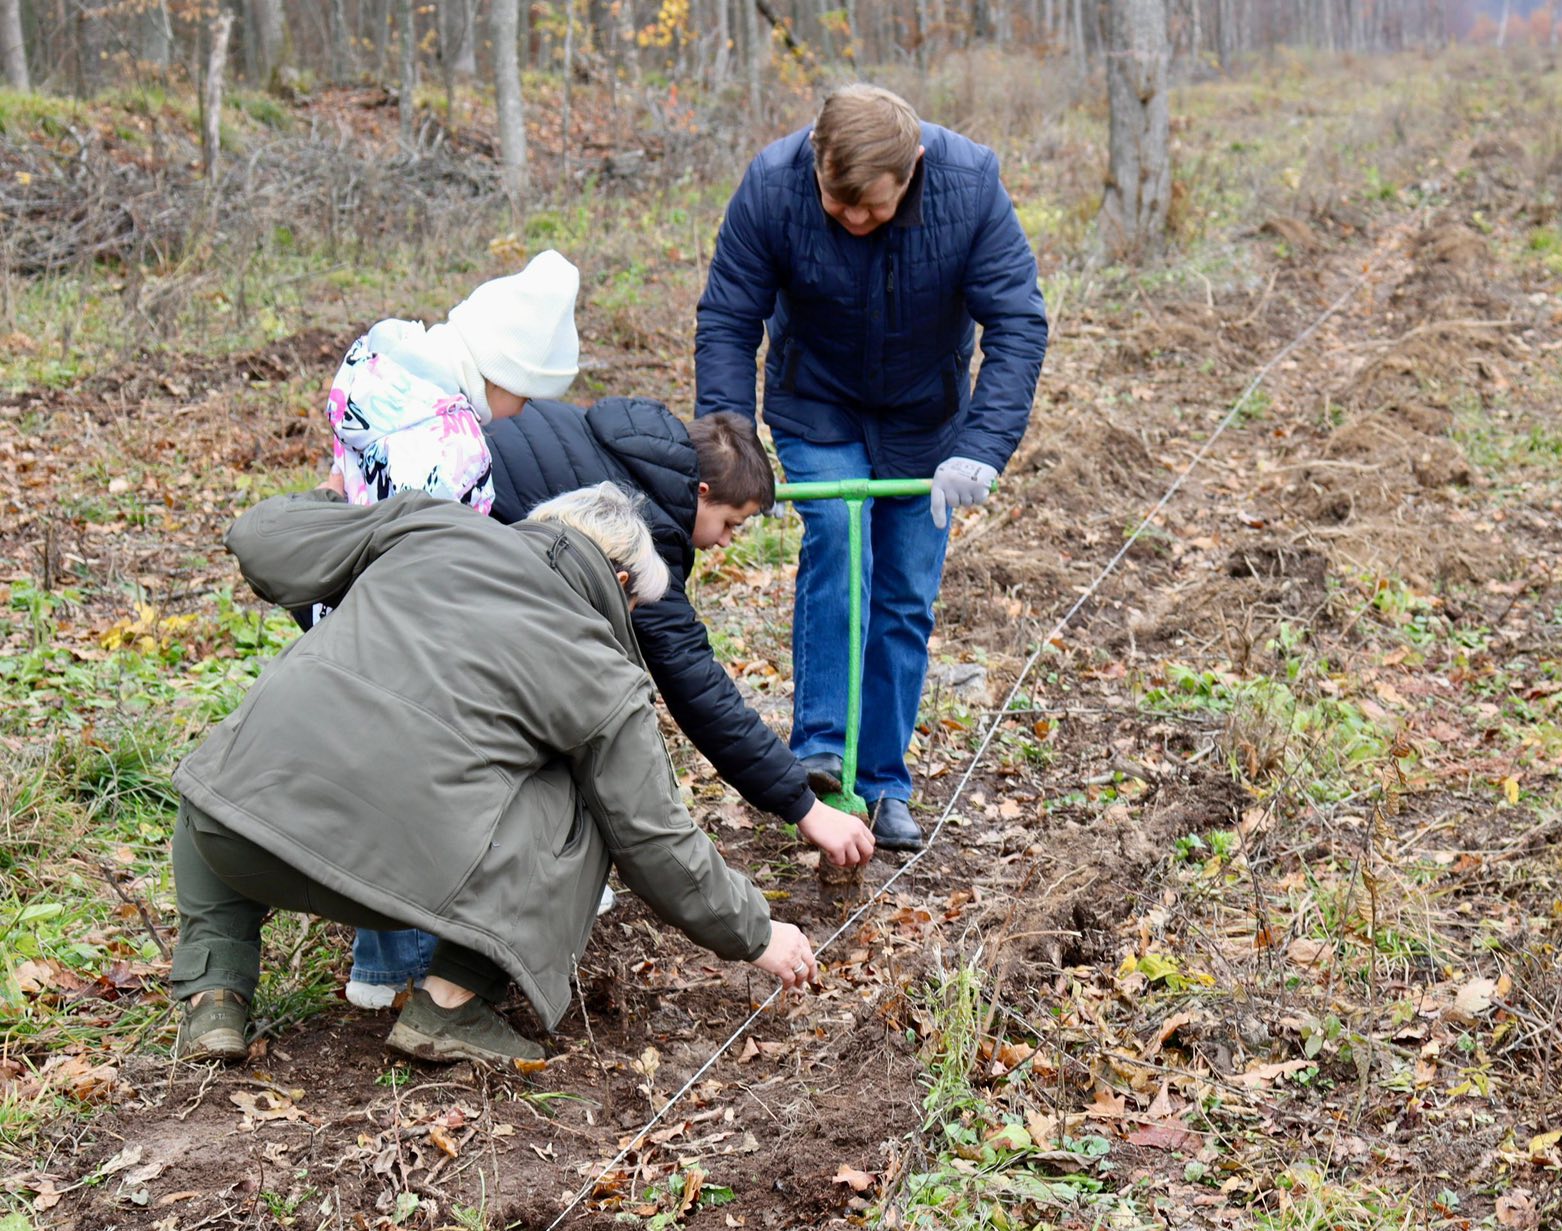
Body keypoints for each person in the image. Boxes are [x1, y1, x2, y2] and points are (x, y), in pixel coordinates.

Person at [171, 484, 821, 1067]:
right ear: (620, 584)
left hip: (237, 839)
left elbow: (262, 538)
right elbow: (653, 837)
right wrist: (758, 933)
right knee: (589, 800)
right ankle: (452, 1004)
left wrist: (327, 494)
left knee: (236, 765)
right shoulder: (603, 670)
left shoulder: (432, 525)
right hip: (401, 885)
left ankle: (214, 995)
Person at [695, 83, 1049, 851]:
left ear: (914, 167)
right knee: (835, 532)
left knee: (905, 596)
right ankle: (820, 749)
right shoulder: (772, 184)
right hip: (816, 401)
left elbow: (1017, 323)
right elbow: (729, 316)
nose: (853, 220)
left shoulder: (970, 185)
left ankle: (884, 781)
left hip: (927, 421)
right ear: (815, 164)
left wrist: (980, 449)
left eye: (873, 209)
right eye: (837, 202)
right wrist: (729, 440)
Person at [314, 248, 586, 1010]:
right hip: (405, 631)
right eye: (526, 394)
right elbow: (441, 567)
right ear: (501, 370)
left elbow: (346, 480)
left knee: (370, 787)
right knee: (419, 790)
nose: (525, 414)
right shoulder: (456, 445)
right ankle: (404, 970)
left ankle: (378, 966)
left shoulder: (376, 359)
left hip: (337, 606)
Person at [483, 399, 875, 870]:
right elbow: (694, 683)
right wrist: (804, 807)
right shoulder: (638, 526)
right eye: (730, 522)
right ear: (702, 491)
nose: (728, 540)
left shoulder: (626, 445)